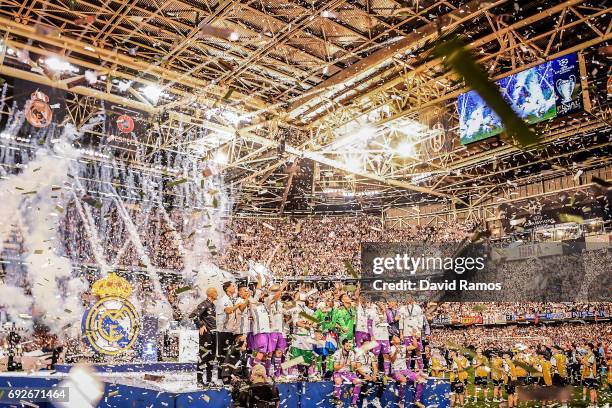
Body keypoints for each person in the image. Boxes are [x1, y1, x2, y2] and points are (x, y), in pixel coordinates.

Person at [190, 287, 218, 385]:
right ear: (211, 294)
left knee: (211, 357)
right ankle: (200, 380)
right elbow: (193, 315)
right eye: (216, 292)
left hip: (214, 334)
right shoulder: (204, 304)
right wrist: (201, 325)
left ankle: (209, 380)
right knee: (203, 357)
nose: (217, 294)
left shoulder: (213, 305)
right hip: (206, 335)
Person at [332, 339, 362, 408]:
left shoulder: (351, 353)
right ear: (343, 346)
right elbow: (335, 367)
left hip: (348, 373)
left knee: (359, 382)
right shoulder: (337, 353)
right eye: (347, 346)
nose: (348, 347)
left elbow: (353, 366)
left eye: (349, 346)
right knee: (338, 381)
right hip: (338, 372)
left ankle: (353, 403)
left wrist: (355, 363)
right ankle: (338, 401)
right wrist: (342, 364)